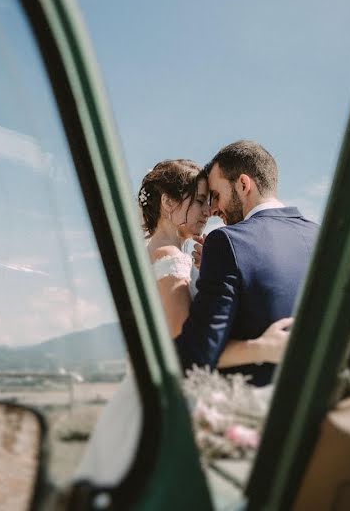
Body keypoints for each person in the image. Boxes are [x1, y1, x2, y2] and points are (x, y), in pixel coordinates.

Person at [74, 158, 291, 484]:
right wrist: (261, 347)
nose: (209, 211)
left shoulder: (154, 253)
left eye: (210, 200)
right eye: (201, 200)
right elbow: (182, 347)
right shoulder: (171, 259)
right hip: (168, 404)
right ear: (168, 202)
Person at [175, 141, 319, 387]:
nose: (213, 210)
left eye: (216, 196)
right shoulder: (320, 235)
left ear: (243, 184)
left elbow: (198, 354)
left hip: (253, 408)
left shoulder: (226, 241)